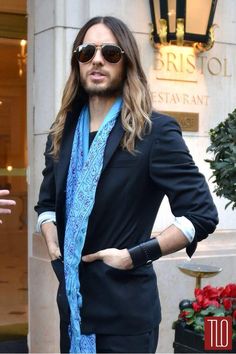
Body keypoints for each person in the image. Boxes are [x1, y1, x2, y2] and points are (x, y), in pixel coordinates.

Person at [35, 16, 218, 354]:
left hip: (125, 319)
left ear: (127, 61)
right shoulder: (61, 133)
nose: (97, 59)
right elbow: (46, 205)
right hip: (74, 311)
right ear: (77, 62)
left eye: (111, 52)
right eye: (87, 51)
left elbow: (201, 214)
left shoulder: (155, 132)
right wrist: (52, 241)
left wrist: (135, 256)